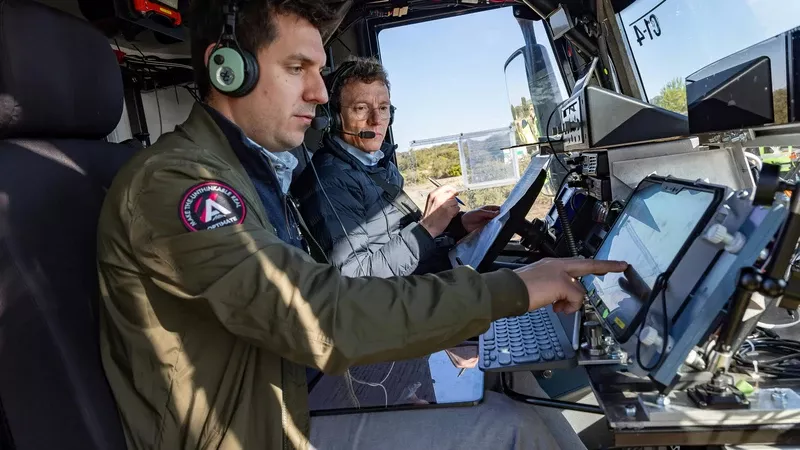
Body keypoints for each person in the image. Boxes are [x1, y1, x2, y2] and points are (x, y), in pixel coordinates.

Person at [95, 0, 627, 449]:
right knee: (517, 428)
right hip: (256, 426)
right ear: (227, 69)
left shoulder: (249, 171)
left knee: (509, 377)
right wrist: (514, 288)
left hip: (292, 378)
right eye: (296, 68)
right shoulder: (178, 184)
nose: (320, 93)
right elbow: (325, 311)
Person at [293, 57, 500, 277]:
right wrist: (428, 228)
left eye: (383, 108)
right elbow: (353, 278)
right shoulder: (330, 180)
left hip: (419, 280)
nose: (376, 120)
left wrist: (459, 224)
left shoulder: (381, 165)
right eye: (361, 108)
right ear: (333, 118)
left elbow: (404, 234)